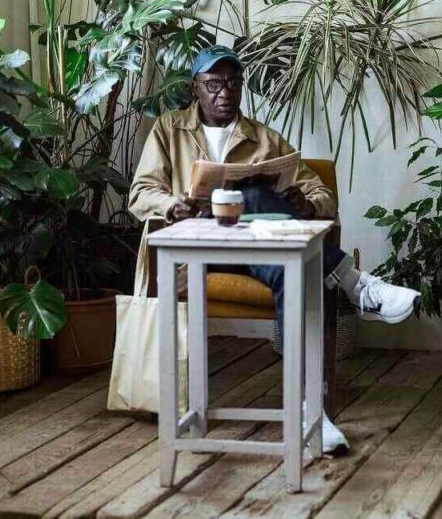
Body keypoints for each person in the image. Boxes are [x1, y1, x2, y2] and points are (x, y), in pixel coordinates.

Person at [128, 44, 422, 455]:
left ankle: (310, 413)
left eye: (232, 83)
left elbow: (319, 192)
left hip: (256, 250)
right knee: (249, 196)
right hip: (195, 253)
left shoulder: (264, 139)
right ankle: (356, 284)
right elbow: (141, 193)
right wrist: (170, 203)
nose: (224, 92)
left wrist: (308, 204)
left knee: (293, 268)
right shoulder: (168, 129)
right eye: (213, 83)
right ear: (196, 88)